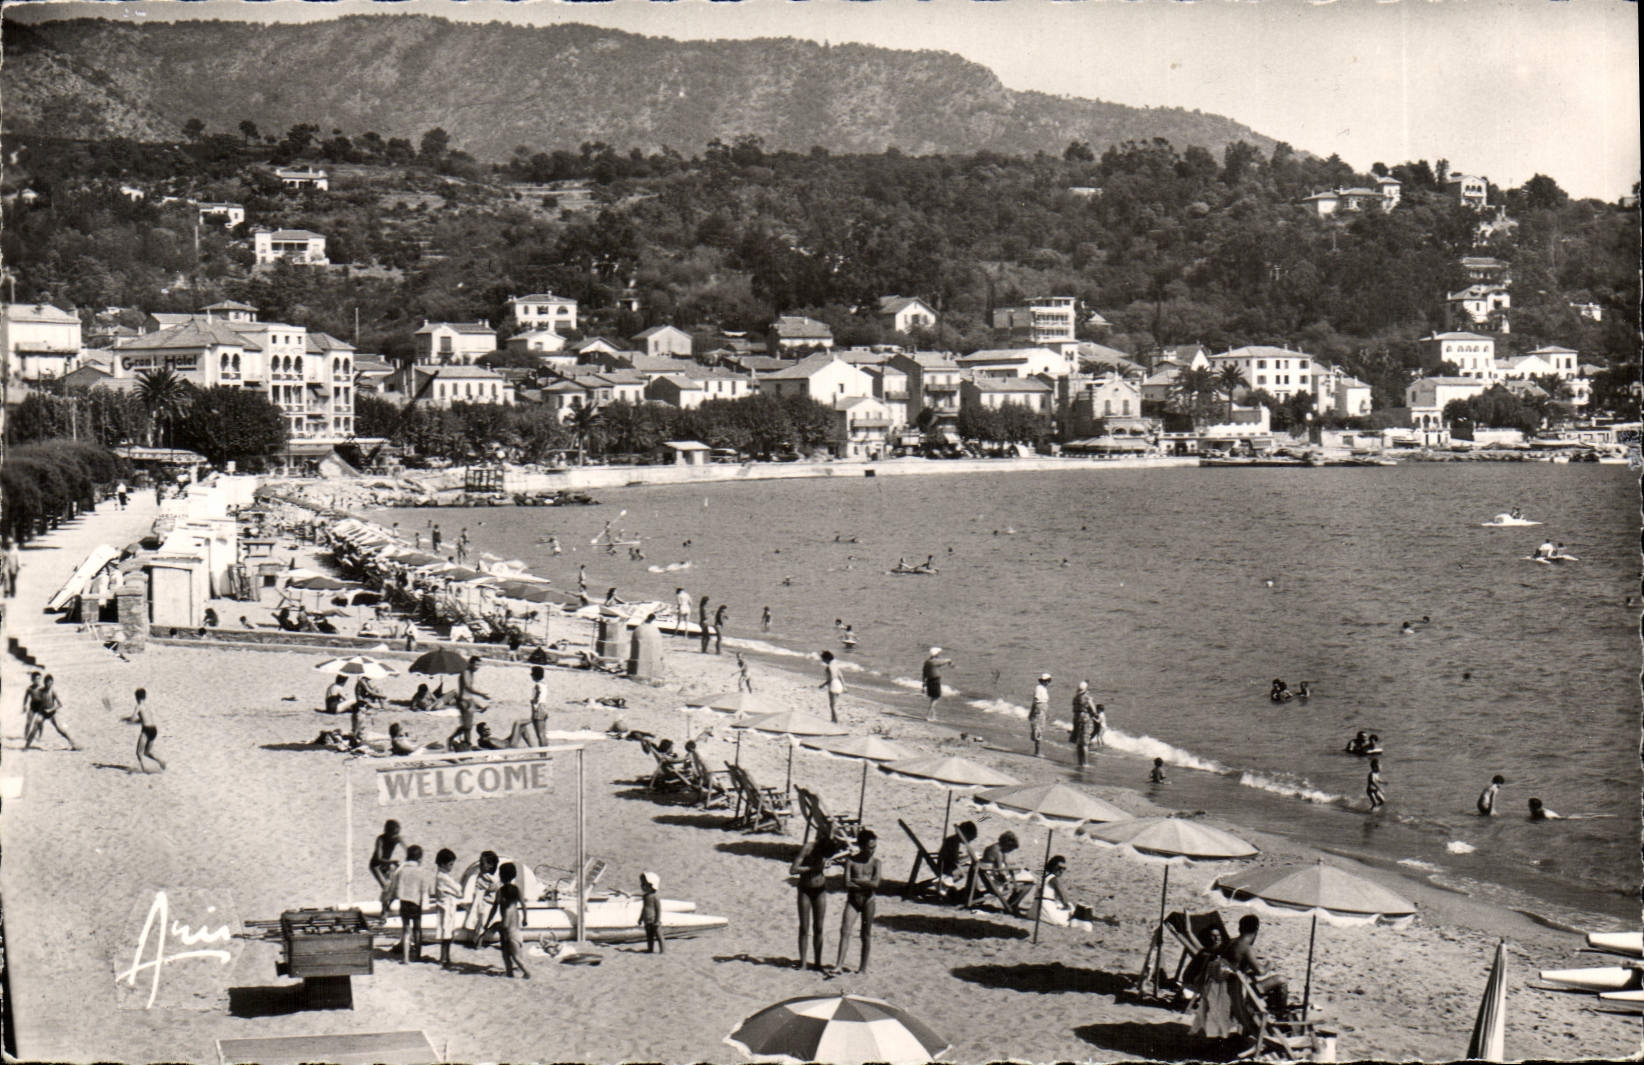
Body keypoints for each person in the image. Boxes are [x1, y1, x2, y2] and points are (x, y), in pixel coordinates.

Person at [790, 825, 841, 971]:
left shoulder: (826, 851)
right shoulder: (808, 848)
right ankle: (804, 963)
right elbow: (793, 869)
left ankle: (818, 963)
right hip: (805, 889)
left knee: (819, 927)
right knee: (804, 927)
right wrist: (811, 869)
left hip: (820, 889)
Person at [1222, 913, 1289, 1016]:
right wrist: (1269, 965)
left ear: (1240, 928)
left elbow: (1235, 964)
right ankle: (1280, 1013)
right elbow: (1260, 972)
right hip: (1240, 992)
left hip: (1227, 987)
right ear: (1256, 930)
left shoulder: (1229, 942)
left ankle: (1273, 1009)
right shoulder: (1247, 948)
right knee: (1281, 979)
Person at [836, 829, 881, 973]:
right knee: (844, 931)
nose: (872, 851)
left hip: (868, 900)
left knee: (865, 934)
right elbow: (846, 884)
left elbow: (876, 884)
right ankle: (838, 965)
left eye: (874, 847)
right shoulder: (851, 861)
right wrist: (866, 882)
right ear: (861, 846)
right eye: (870, 848)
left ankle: (863, 968)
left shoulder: (876, 863)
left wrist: (857, 881)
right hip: (853, 901)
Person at [382, 843, 433, 963]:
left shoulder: (401, 871)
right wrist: (426, 904)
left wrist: (388, 904)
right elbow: (425, 889)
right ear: (419, 858)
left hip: (403, 902)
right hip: (416, 903)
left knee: (405, 929)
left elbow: (394, 888)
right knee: (417, 928)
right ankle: (418, 956)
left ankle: (405, 958)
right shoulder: (421, 871)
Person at [483, 862, 530, 978]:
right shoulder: (516, 890)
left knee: (513, 955)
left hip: (508, 931)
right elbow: (523, 905)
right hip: (515, 930)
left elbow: (494, 908)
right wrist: (525, 918)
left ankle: (527, 972)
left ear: (501, 876)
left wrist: (489, 923)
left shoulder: (501, 892)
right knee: (506, 953)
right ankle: (509, 972)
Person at [979, 831, 1034, 912]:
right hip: (996, 883)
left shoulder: (992, 847)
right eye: (1010, 849)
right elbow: (1001, 872)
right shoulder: (998, 852)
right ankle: (1011, 905)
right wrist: (1011, 876)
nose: (1009, 851)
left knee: (1023, 876)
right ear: (1007, 844)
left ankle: (1011, 904)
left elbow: (998, 867)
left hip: (989, 878)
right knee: (1029, 883)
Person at [1037, 854, 1094, 930]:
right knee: (1072, 909)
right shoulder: (1053, 879)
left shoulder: (1043, 877)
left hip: (1036, 911)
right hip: (1047, 912)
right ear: (1053, 866)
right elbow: (1063, 895)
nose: (1061, 870)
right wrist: (1067, 905)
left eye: (1064, 868)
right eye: (1059, 868)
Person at [25, 674, 78, 752]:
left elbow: (60, 704)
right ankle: (27, 746)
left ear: (52, 683)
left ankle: (73, 743)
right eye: (47, 683)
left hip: (52, 713)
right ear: (44, 683)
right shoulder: (41, 691)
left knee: (59, 729)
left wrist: (51, 709)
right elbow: (36, 700)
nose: (48, 684)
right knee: (34, 728)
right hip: (42, 713)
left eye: (50, 683)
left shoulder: (53, 692)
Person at [432, 848, 463, 969]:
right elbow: (458, 890)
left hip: (445, 907)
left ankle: (445, 957)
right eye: (450, 864)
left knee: (447, 934)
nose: (452, 867)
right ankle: (444, 958)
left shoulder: (441, 876)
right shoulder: (443, 877)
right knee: (447, 934)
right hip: (446, 909)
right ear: (443, 864)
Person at [937, 821, 979, 899]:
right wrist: (969, 857)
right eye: (969, 839)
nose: (968, 841)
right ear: (965, 835)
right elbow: (955, 861)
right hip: (946, 870)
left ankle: (971, 891)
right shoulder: (953, 842)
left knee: (972, 866)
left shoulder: (952, 840)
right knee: (973, 868)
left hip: (947, 867)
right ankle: (971, 891)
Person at [369, 820, 406, 889]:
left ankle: (389, 897)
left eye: (396, 834)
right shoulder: (380, 839)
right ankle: (385, 897)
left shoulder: (398, 838)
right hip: (376, 865)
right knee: (386, 886)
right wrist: (392, 862)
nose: (395, 836)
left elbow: (407, 850)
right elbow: (379, 858)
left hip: (387, 864)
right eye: (393, 834)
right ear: (388, 832)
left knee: (393, 886)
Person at [922, 647, 952, 721]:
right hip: (935, 681)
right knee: (936, 697)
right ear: (936, 655)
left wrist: (923, 683)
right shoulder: (935, 662)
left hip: (929, 680)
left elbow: (924, 673)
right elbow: (947, 660)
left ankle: (933, 716)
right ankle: (928, 715)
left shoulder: (927, 662)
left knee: (933, 698)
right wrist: (950, 663)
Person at [1071, 681, 1096, 767]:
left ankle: (1080, 762)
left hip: (1076, 718)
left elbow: (1074, 709)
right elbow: (1093, 710)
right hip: (1085, 719)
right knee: (1085, 743)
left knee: (1079, 741)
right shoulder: (1087, 698)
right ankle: (1085, 763)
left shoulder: (1075, 697)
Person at [640, 872, 664, 954]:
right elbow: (644, 908)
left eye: (644, 884)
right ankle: (650, 949)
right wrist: (640, 918)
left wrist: (657, 920)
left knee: (659, 936)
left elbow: (658, 909)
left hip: (654, 920)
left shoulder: (655, 897)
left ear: (651, 886)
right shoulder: (645, 897)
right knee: (649, 936)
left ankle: (662, 950)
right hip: (647, 920)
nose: (642, 886)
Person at [819, 650, 846, 723]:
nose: (823, 661)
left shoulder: (829, 667)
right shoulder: (835, 664)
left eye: (823, 659)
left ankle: (835, 720)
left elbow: (830, 679)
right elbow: (840, 676)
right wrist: (844, 686)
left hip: (833, 685)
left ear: (827, 659)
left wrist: (823, 685)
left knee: (832, 705)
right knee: (834, 704)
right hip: (839, 684)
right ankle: (833, 719)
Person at [1029, 673, 1051, 757]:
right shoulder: (1039, 688)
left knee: (1039, 729)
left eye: (1048, 681)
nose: (1048, 683)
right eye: (1046, 681)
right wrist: (1032, 711)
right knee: (1038, 730)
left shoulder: (1042, 688)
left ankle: (1037, 751)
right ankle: (1037, 752)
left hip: (1041, 710)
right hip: (1039, 710)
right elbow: (1036, 701)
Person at [528, 665, 549, 747]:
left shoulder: (537, 685)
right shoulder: (544, 684)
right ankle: (544, 752)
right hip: (544, 707)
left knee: (540, 734)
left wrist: (534, 707)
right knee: (542, 734)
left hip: (538, 708)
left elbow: (536, 697)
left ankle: (543, 754)